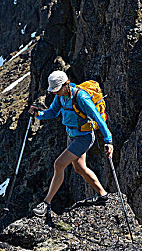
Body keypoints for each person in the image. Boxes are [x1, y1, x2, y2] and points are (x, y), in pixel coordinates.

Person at [29, 70, 113, 217]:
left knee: (58, 164)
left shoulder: (81, 97)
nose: (55, 93)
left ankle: (46, 203)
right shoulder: (61, 97)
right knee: (80, 169)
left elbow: (98, 119)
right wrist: (38, 114)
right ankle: (102, 194)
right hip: (72, 135)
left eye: (57, 90)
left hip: (83, 138)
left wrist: (108, 141)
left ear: (66, 84)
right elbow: (53, 112)